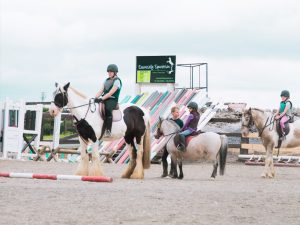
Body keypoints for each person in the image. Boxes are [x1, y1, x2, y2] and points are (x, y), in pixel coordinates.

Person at [95, 64, 122, 138]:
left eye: (111, 72)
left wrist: (101, 99)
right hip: (105, 98)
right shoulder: (106, 81)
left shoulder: (117, 81)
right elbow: (100, 91)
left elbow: (111, 93)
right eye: (108, 72)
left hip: (112, 99)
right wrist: (95, 97)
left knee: (107, 110)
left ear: (115, 72)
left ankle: (108, 130)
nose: (109, 73)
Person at [161, 106, 183, 177]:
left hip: (175, 142)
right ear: (172, 113)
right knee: (164, 157)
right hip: (168, 142)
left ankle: (171, 172)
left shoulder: (180, 122)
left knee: (173, 157)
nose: (178, 113)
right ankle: (165, 172)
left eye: (178, 112)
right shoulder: (169, 121)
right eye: (176, 112)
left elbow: (181, 132)